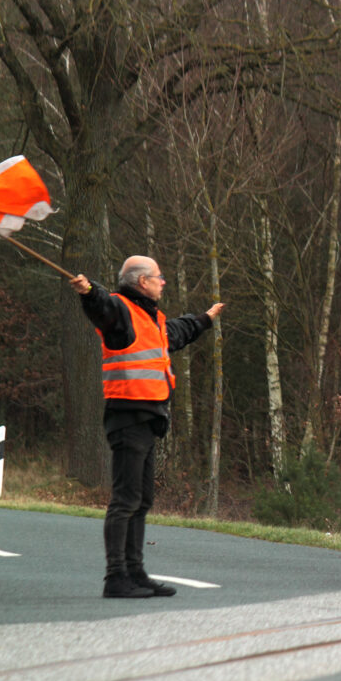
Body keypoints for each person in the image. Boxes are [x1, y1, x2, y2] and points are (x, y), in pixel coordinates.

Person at [70, 256, 225, 599]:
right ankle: (116, 577)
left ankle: (135, 573)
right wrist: (89, 292)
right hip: (128, 417)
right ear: (143, 281)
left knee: (141, 500)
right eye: (159, 276)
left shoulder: (151, 319)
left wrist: (205, 319)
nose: (163, 281)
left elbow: (177, 333)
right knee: (125, 500)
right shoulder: (120, 311)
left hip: (147, 419)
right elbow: (102, 307)